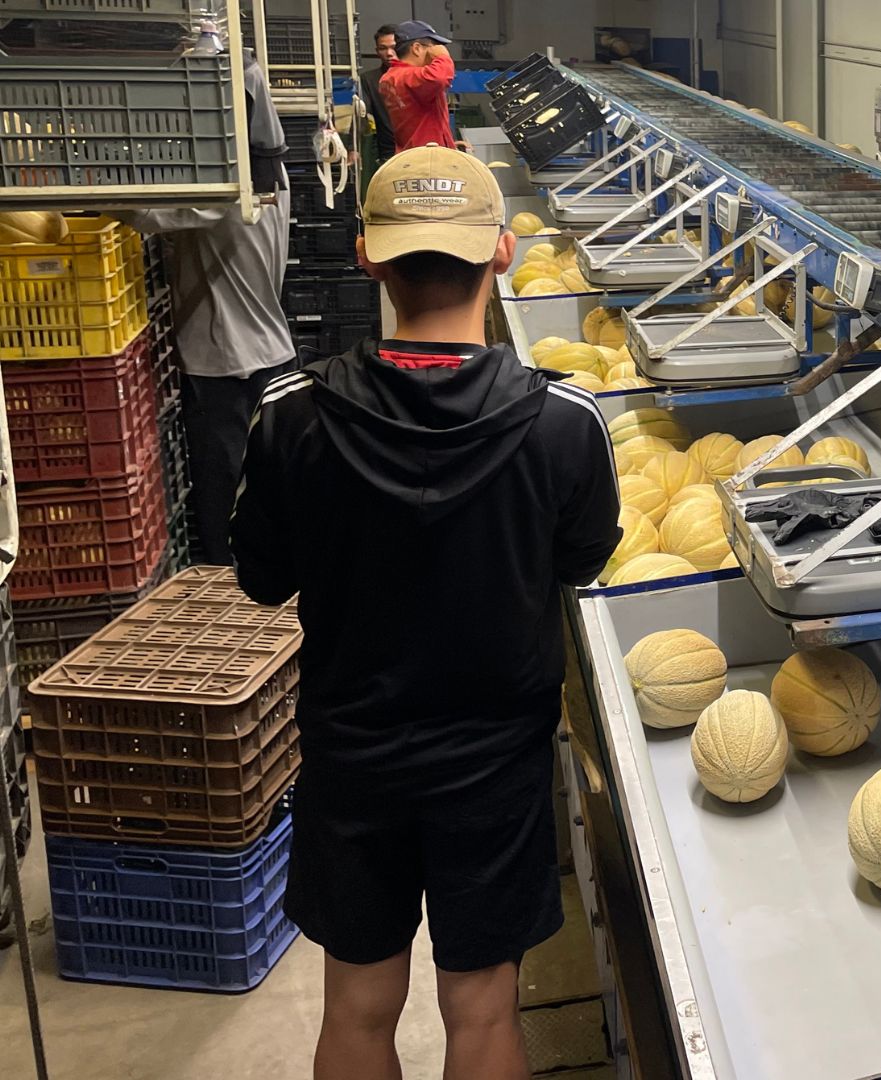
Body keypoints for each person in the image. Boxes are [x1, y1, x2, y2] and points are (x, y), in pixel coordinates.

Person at [229, 146, 621, 1080]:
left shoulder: (291, 418)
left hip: (352, 754)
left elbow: (261, 580)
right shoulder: (567, 425)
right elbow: (580, 559)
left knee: (358, 1008)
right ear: (504, 254)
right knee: (483, 1011)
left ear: (366, 255)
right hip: (495, 763)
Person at [116, 48, 293, 565]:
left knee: (225, 498)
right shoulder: (271, 181)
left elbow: (144, 213)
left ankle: (230, 588)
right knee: (265, 488)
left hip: (227, 365)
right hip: (268, 353)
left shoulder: (228, 197)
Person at [379, 19, 459, 152]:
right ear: (417, 48)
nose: (435, 51)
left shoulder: (389, 77)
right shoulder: (410, 76)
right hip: (428, 158)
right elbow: (440, 78)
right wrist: (443, 56)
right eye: (432, 46)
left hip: (409, 154)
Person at [359, 24, 399, 168]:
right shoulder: (369, 80)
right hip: (388, 155)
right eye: (383, 48)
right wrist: (353, 148)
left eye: (394, 47)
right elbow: (361, 115)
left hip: (420, 150)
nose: (389, 53)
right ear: (377, 51)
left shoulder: (418, 76)